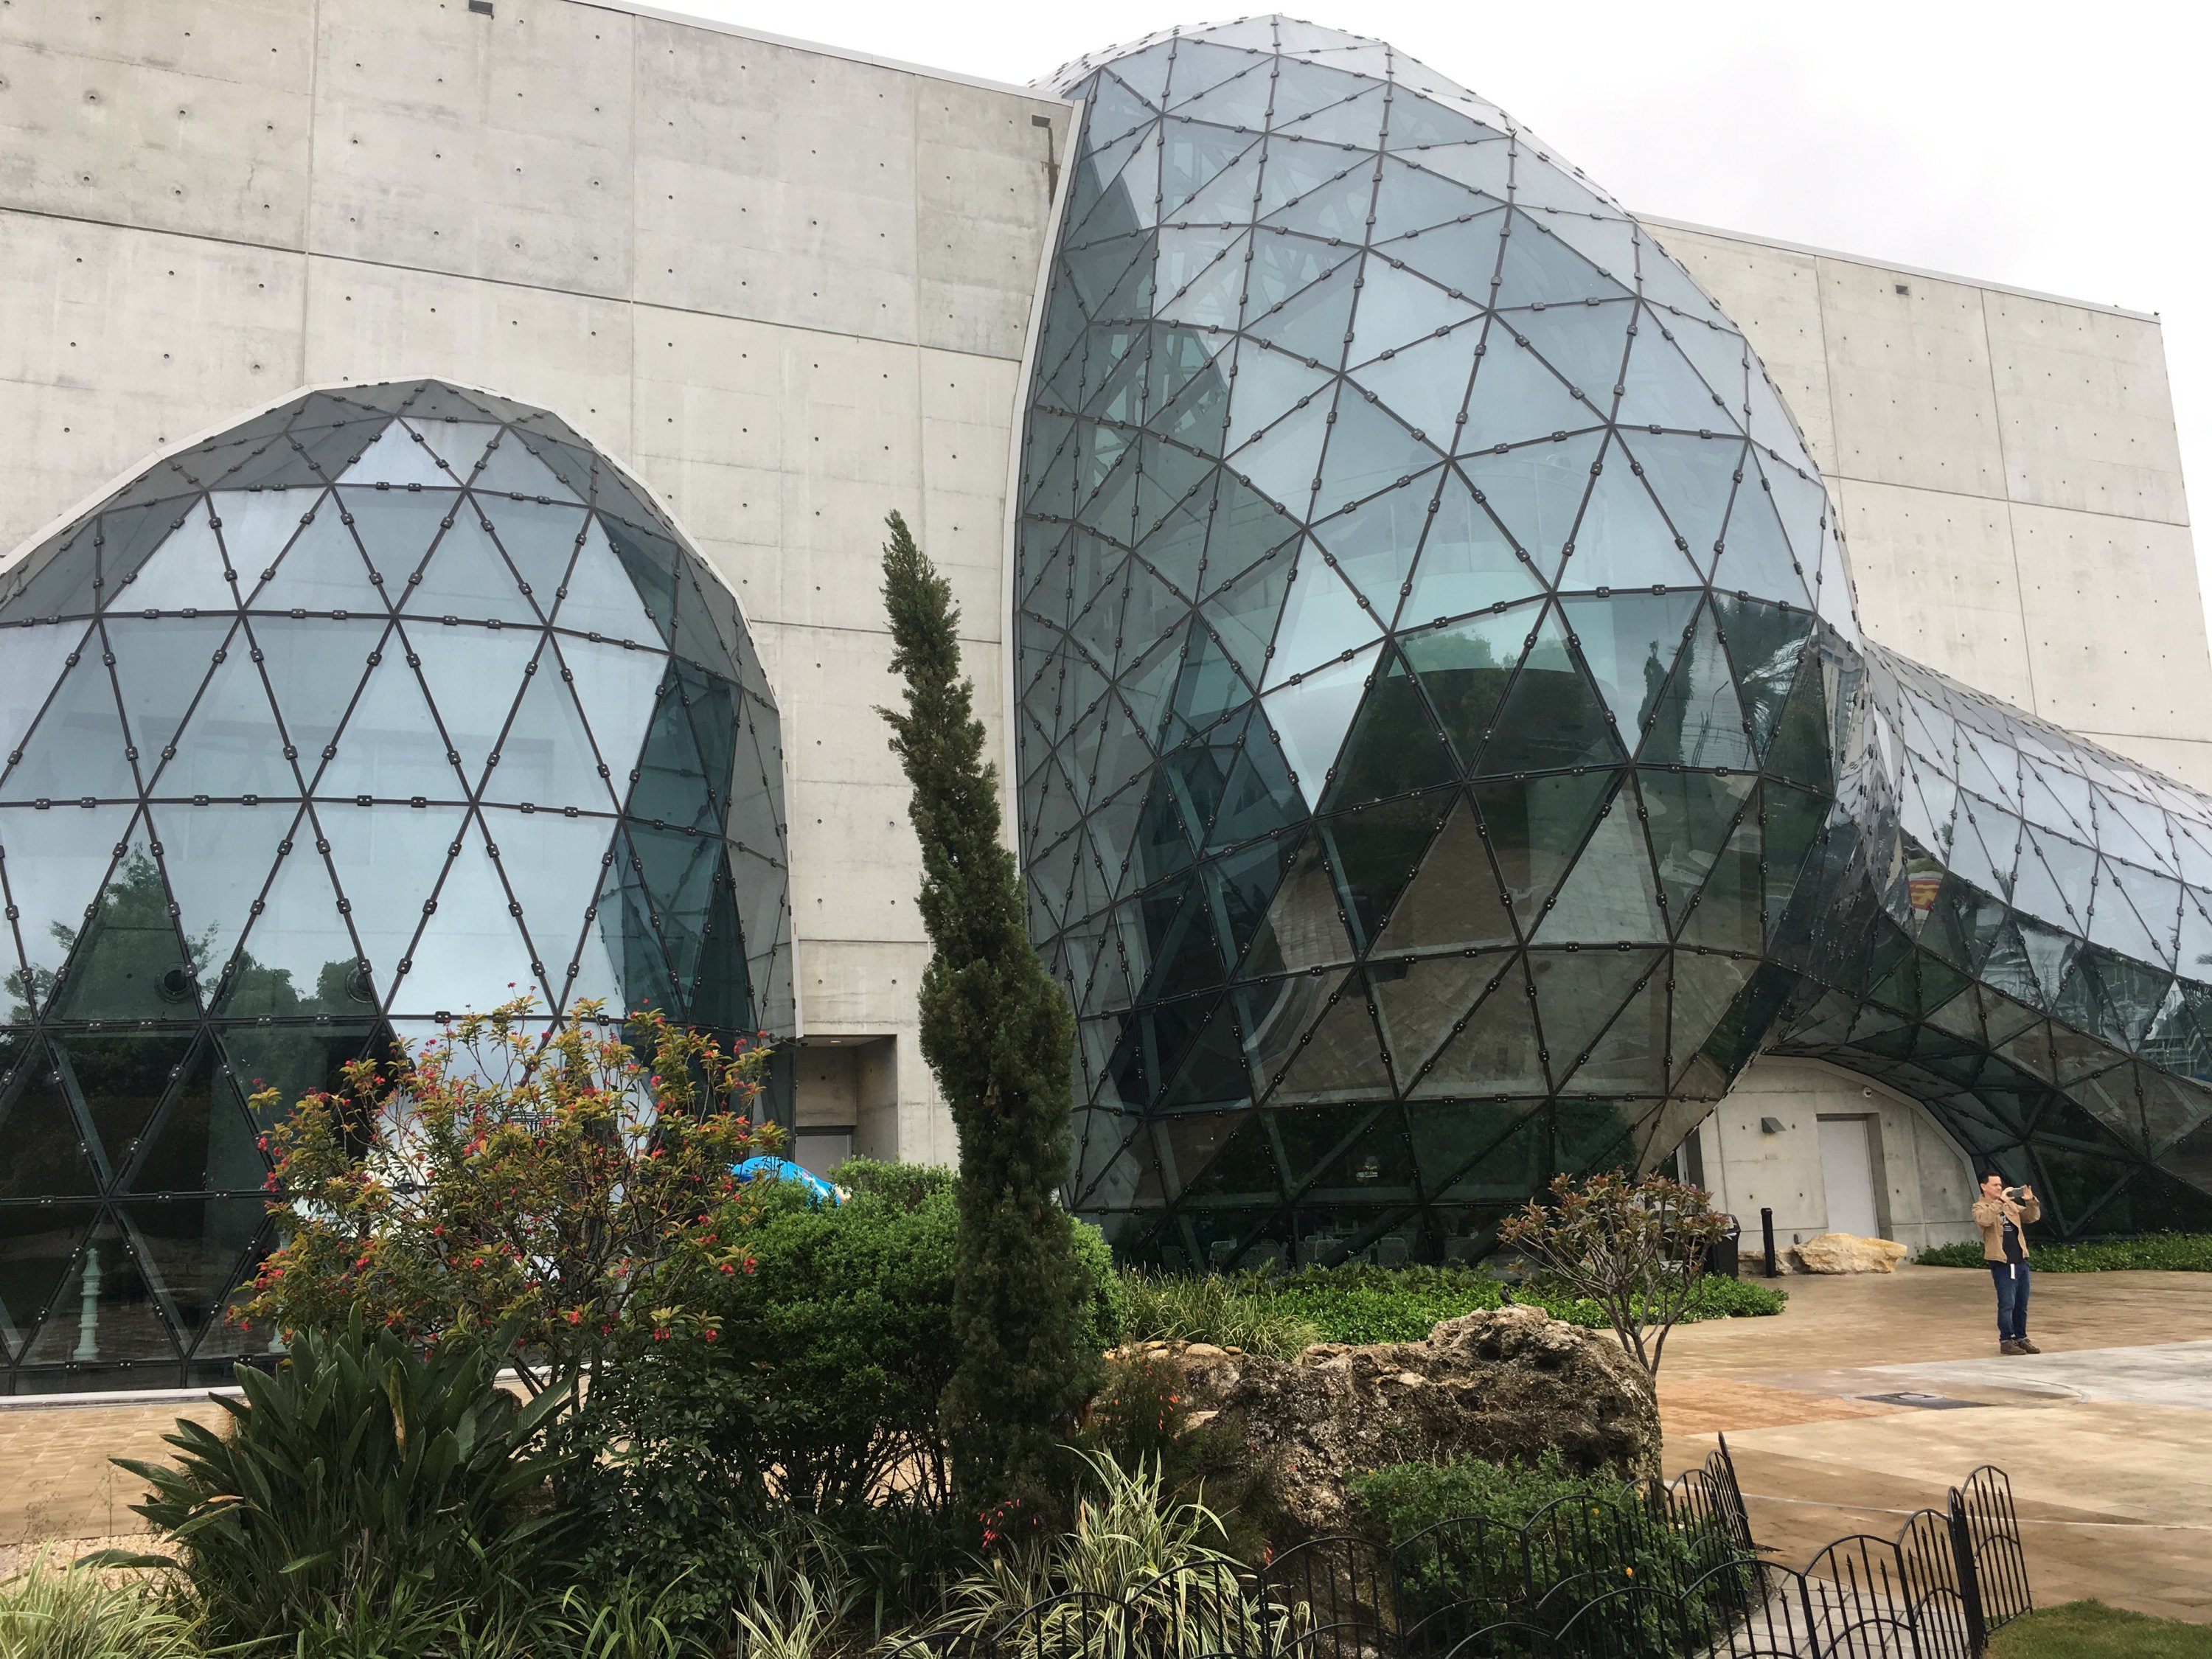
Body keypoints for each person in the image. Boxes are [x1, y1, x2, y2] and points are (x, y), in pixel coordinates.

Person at [1971, 1172, 2041, 1354]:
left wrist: (2030, 1201)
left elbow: (2031, 1217)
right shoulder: (1980, 1207)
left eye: (2000, 1185)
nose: (1999, 1187)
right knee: (2007, 1303)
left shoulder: (2010, 1204)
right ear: (1983, 1186)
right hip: (2002, 1262)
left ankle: (2021, 1338)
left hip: (2020, 1260)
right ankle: (2006, 1340)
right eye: (1994, 1185)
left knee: (2021, 1304)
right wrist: (2000, 1201)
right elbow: (1985, 1220)